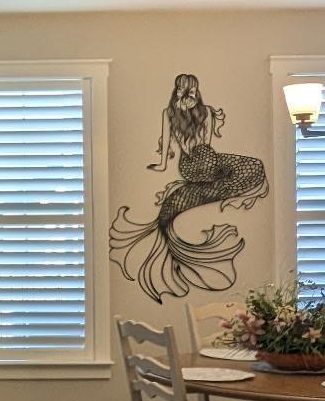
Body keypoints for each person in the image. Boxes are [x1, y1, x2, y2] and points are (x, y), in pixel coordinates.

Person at [108, 73, 267, 302]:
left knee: (252, 166)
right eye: (186, 90)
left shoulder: (198, 112)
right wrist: (165, 162)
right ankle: (211, 185)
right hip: (200, 163)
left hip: (201, 163)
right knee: (246, 167)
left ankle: (209, 185)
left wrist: (166, 163)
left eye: (191, 90)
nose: (188, 94)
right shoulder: (180, 113)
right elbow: (203, 145)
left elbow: (203, 145)